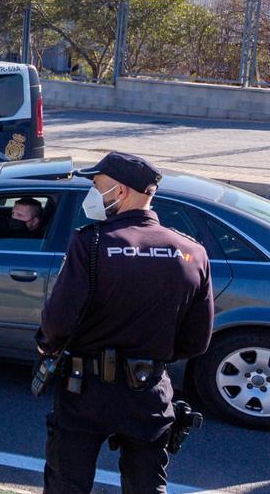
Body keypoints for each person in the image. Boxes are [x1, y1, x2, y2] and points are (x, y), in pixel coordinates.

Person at [38, 152, 213, 493]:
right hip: (148, 393)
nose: (92, 192)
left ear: (120, 192)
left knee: (66, 485)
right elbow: (197, 342)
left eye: (97, 185)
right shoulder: (193, 253)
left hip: (84, 390)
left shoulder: (92, 242)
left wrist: (46, 345)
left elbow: (57, 323)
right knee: (147, 486)